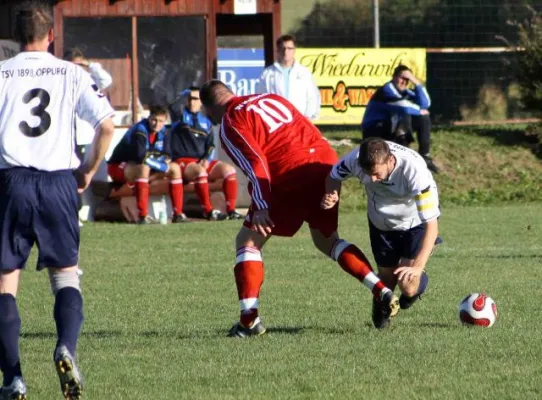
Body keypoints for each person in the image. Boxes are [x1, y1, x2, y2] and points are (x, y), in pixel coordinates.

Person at [199, 80, 399, 338]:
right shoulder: (270, 97)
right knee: (327, 240)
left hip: (290, 173)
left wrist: (261, 205)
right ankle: (381, 288)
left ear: (208, 108)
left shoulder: (231, 121)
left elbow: (256, 163)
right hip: (324, 163)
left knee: (247, 241)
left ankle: (248, 322)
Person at [0, 1, 115, 399]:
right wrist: (86, 169)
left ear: (16, 39)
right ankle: (66, 346)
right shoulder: (72, 73)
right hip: (57, 182)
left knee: (5, 283)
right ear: (52, 36)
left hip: (11, 181)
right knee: (65, 274)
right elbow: (106, 125)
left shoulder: (1, 73)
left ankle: (13, 378)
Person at [322, 138, 441, 329]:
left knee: (408, 286)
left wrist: (418, 267)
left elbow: (432, 226)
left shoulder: (415, 171)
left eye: (376, 174)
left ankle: (417, 284)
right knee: (385, 283)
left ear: (390, 160)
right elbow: (334, 176)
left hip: (414, 223)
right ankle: (380, 325)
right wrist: (332, 193)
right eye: (368, 174)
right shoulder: (357, 159)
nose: (372, 180)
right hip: (381, 223)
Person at [169, 87, 243, 221]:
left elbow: (211, 145)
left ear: (201, 102)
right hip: (183, 161)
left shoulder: (206, 121)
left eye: (196, 99)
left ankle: (231, 210)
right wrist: (185, 93)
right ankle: (208, 211)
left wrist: (207, 159)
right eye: (190, 99)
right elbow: (172, 105)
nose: (192, 102)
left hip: (201, 160)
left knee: (229, 170)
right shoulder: (179, 117)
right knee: (200, 172)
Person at [107, 105, 186, 224]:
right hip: (119, 166)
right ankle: (143, 215)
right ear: (149, 118)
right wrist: (162, 166)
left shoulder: (164, 132)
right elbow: (141, 157)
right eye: (154, 120)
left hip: (144, 166)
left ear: (165, 121)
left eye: (160, 121)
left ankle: (178, 214)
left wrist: (164, 163)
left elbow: (168, 155)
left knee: (175, 168)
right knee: (144, 168)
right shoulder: (140, 130)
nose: (156, 124)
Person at [64, 47, 114, 227]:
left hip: (92, 137)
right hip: (72, 139)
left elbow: (106, 80)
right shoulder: (64, 83)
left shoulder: (90, 82)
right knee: (74, 177)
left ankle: (96, 212)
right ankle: (75, 214)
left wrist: (88, 64)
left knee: (97, 179)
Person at [361, 65, 440, 173]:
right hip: (374, 130)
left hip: (390, 127)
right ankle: (404, 155)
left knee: (424, 118)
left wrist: (415, 81)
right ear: (394, 77)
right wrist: (419, 110)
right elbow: (403, 106)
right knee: (404, 114)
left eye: (407, 79)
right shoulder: (387, 89)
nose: (404, 82)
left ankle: (424, 156)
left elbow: (426, 103)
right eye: (402, 77)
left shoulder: (406, 92)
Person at [257, 34, 320, 120]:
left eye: (289, 48)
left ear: (294, 50)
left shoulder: (304, 72)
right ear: (278, 50)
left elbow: (313, 97)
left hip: (300, 121)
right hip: (277, 122)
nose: (286, 51)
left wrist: (308, 117)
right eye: (283, 48)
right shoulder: (267, 73)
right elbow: (260, 98)